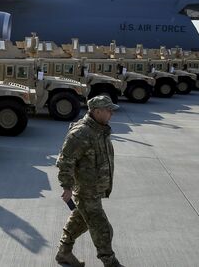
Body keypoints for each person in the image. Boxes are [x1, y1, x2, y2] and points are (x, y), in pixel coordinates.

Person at [55, 95, 124, 267]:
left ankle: (64, 252)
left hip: (94, 189)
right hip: (86, 191)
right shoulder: (81, 133)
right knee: (102, 228)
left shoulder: (100, 130)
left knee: (80, 221)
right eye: (109, 110)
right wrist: (67, 187)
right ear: (97, 111)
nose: (111, 114)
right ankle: (110, 262)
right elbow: (66, 160)